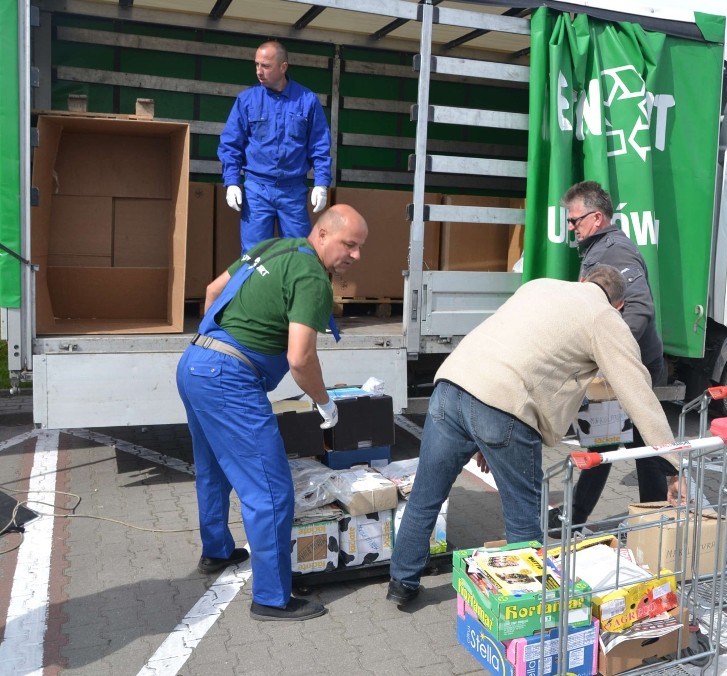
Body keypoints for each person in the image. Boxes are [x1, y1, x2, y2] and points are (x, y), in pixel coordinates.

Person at [386, 264, 681, 607]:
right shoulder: (604, 317)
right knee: (523, 518)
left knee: (425, 495)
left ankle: (401, 584)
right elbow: (638, 392)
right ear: (619, 305)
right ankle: (528, 608)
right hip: (504, 404)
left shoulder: (541, 286)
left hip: (451, 385)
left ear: (583, 281)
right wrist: (673, 461)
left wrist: (485, 438)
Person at [177, 204, 368, 622]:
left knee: (213, 469)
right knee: (270, 489)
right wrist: (324, 403)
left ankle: (217, 552)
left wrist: (218, 349)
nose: (354, 255)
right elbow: (300, 358)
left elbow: (212, 291)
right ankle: (272, 597)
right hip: (229, 378)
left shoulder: (273, 246)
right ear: (322, 235)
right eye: (348, 245)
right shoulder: (313, 278)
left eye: (359, 248)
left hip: (195, 361)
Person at [562, 181, 674, 526]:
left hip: (632, 364)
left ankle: (653, 519)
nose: (570, 227)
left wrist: (610, 356)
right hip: (619, 364)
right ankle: (577, 515)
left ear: (596, 218)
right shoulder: (599, 249)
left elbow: (639, 311)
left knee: (640, 443)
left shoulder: (615, 252)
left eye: (574, 220)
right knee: (606, 439)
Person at [218, 40, 332, 255]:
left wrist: (321, 183)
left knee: (300, 254)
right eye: (256, 65)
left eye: (266, 66)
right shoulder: (247, 100)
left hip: (293, 191)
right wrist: (231, 181)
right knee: (254, 256)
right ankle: (255, 290)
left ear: (283, 67)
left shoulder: (307, 100)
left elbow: (320, 145)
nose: (259, 72)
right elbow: (231, 144)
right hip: (257, 190)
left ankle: (294, 290)